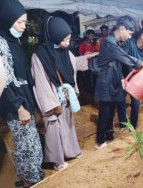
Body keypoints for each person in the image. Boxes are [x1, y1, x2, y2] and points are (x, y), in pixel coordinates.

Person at [0, 0, 44, 187]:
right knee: (27, 147)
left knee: (27, 144)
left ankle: (26, 179)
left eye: (25, 22)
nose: (24, 27)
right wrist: (19, 107)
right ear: (7, 19)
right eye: (20, 22)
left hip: (25, 100)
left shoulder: (13, 40)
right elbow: (3, 80)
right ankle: (32, 181)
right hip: (16, 105)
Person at [31, 16, 82, 170]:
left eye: (69, 39)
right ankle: (57, 161)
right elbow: (40, 83)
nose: (67, 43)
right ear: (53, 35)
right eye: (65, 40)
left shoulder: (65, 51)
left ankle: (71, 151)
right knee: (53, 128)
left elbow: (74, 67)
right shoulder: (39, 55)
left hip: (65, 95)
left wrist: (72, 91)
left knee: (68, 123)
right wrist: (53, 104)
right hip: (52, 97)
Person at [94, 15, 143, 149]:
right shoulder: (109, 42)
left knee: (111, 112)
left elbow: (118, 63)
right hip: (106, 83)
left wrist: (121, 78)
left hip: (114, 81)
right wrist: (142, 63)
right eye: (129, 33)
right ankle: (99, 141)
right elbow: (124, 57)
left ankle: (109, 137)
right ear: (121, 28)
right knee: (105, 113)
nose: (129, 37)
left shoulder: (116, 42)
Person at [117, 21, 143, 129]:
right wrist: (121, 78)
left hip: (137, 83)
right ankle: (122, 125)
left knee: (136, 104)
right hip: (124, 79)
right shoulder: (129, 44)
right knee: (121, 102)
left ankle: (133, 126)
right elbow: (120, 61)